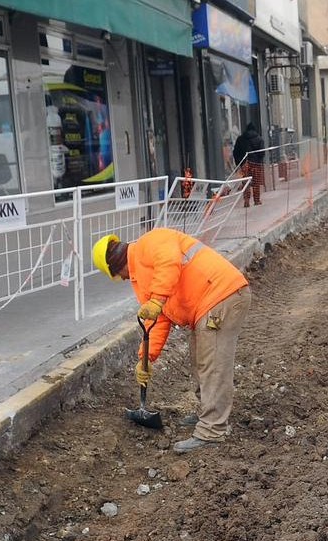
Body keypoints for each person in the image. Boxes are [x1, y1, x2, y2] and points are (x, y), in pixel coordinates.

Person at [91, 228, 252, 453]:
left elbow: (169, 263)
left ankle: (212, 430)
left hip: (222, 295)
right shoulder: (141, 278)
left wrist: (157, 300)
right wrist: (146, 358)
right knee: (200, 361)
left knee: (213, 365)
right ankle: (208, 412)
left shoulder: (150, 242)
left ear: (116, 267)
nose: (124, 279)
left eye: (120, 275)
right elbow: (158, 318)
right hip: (206, 305)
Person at [232, 122, 265, 208]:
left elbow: (235, 152)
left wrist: (239, 163)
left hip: (245, 164)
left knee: (246, 183)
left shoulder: (240, 139)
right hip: (256, 164)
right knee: (256, 182)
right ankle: (257, 200)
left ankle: (246, 201)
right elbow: (262, 153)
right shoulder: (259, 139)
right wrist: (259, 160)